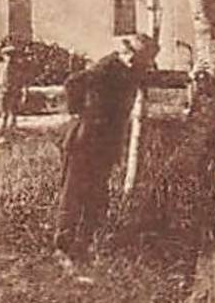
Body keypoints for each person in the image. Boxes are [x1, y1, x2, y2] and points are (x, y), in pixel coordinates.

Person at [53, 33, 183, 266]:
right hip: (85, 140)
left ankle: (83, 247)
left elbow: (155, 78)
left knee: (98, 197)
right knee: (73, 194)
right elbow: (72, 83)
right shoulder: (107, 67)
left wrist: (190, 78)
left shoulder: (130, 69)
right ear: (129, 54)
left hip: (105, 143)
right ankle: (63, 248)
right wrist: (81, 112)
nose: (141, 65)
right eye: (140, 60)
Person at [0, 42, 23, 132]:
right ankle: (3, 123)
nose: (9, 58)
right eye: (7, 55)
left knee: (14, 108)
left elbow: (22, 79)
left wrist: (22, 89)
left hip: (14, 90)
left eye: (12, 55)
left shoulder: (17, 67)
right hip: (3, 90)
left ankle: (13, 124)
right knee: (4, 108)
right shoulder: (0, 66)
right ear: (3, 56)